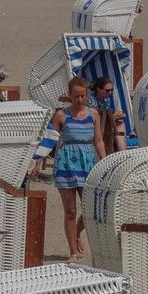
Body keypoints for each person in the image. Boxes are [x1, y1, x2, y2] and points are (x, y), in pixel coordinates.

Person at [46, 75, 104, 261]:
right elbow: (49, 140)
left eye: (83, 96)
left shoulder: (93, 114)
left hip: (87, 163)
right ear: (70, 95)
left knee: (89, 209)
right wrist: (38, 161)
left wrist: (105, 162)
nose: (80, 100)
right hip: (66, 165)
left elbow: (99, 140)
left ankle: (77, 234)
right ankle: (72, 251)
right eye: (76, 96)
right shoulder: (61, 115)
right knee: (70, 211)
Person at [89, 75, 127, 155]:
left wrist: (114, 115)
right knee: (119, 124)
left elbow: (105, 113)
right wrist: (112, 115)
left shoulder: (106, 99)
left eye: (111, 90)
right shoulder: (91, 99)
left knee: (120, 121)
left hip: (104, 124)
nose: (110, 93)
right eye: (107, 90)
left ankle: (122, 152)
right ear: (98, 89)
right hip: (94, 125)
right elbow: (94, 116)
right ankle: (123, 153)